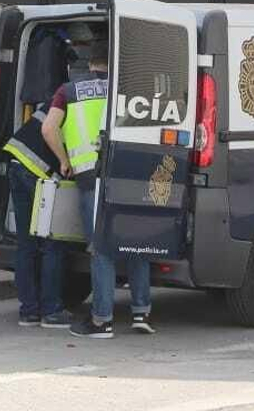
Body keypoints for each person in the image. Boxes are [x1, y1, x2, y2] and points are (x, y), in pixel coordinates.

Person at [42, 25, 155, 338]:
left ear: (89, 63)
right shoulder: (129, 91)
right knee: (136, 245)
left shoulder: (68, 91)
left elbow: (48, 129)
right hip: (128, 176)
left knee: (102, 249)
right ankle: (141, 313)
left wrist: (65, 160)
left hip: (91, 178)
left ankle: (102, 320)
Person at [2, 104, 70, 328]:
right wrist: (64, 162)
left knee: (26, 242)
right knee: (53, 242)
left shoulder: (62, 94)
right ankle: (51, 311)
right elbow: (49, 131)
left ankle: (28, 311)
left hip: (16, 160)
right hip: (39, 170)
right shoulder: (87, 101)